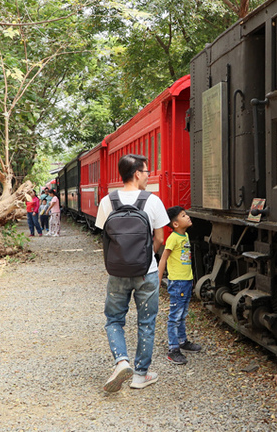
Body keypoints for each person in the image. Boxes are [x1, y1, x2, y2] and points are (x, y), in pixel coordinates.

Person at [95, 154, 169, 392]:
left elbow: (104, 237)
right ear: (137, 174)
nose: (148, 176)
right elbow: (159, 238)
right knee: (146, 322)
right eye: (146, 172)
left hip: (117, 273)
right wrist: (146, 256)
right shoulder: (153, 201)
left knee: (114, 320)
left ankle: (121, 362)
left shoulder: (108, 201)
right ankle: (140, 375)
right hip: (146, 272)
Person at [158, 206, 202, 365]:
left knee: (182, 314)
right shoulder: (173, 238)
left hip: (186, 281)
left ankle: (183, 341)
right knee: (175, 316)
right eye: (184, 215)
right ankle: (173, 349)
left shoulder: (186, 236)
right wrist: (158, 278)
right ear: (175, 224)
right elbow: (163, 258)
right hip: (177, 282)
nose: (188, 216)